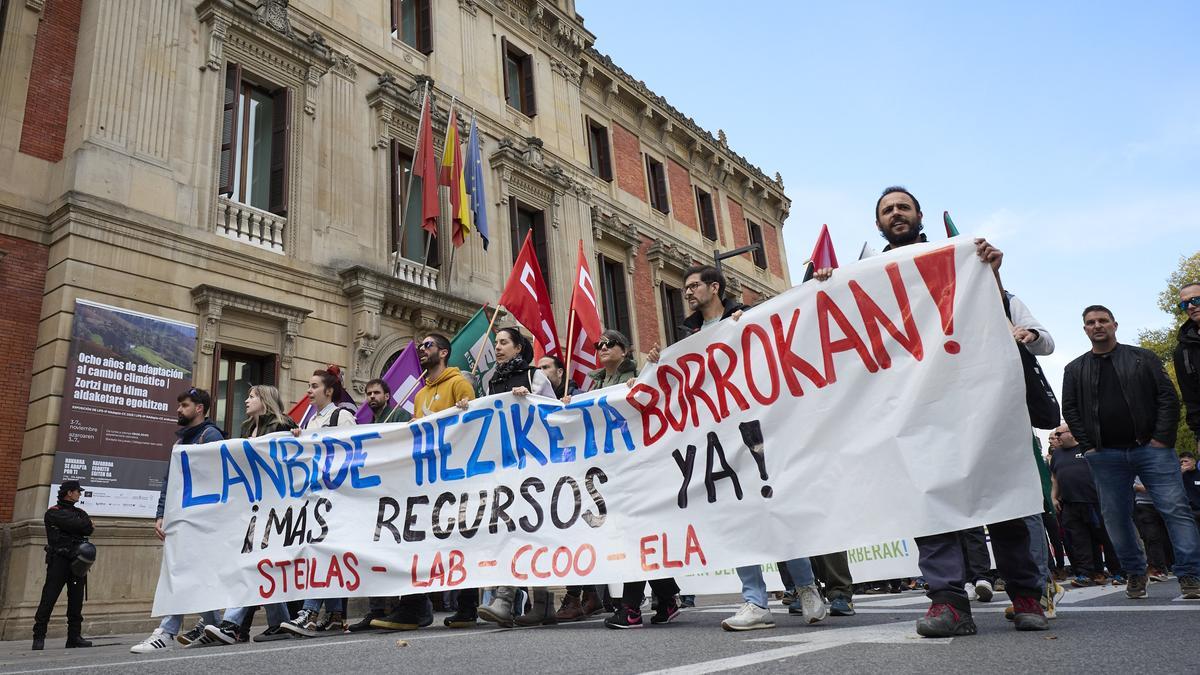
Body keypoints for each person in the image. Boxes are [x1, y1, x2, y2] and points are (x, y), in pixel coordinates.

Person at [817, 187, 1048, 636]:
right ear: (878, 224)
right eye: (888, 210)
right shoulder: (865, 275)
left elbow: (1004, 319)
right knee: (929, 504)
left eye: (903, 207)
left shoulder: (963, 258)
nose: (896, 214)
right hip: (915, 407)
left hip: (977, 395)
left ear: (919, 215)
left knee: (1002, 498)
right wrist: (827, 288)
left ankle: (1025, 595)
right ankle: (948, 602)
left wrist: (991, 274)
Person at [1062, 304, 1200, 600]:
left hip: (1150, 449)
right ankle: (1135, 573)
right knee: (1115, 517)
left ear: (1114, 324)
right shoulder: (1074, 369)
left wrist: (1162, 438)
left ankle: (1190, 574)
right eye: (1091, 322)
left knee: (1176, 509)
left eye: (1103, 320)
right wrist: (1089, 446)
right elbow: (1071, 410)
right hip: (1104, 454)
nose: (1097, 325)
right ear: (1085, 329)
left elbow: (1167, 397)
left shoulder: (1142, 358)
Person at [371, 335, 477, 631]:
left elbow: (472, 427)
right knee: (418, 540)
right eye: (422, 345)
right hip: (427, 479)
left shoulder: (459, 384)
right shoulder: (419, 396)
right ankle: (414, 607)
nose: (422, 349)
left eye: (429, 345)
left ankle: (468, 607)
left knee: (461, 540)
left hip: (456, 477)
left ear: (443, 352)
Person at [131, 388, 226, 653]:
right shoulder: (181, 442)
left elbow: (216, 479)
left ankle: (167, 631)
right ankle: (214, 625)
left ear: (199, 409)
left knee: (180, 570)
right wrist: (161, 514)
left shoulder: (210, 436)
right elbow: (169, 480)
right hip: (181, 516)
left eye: (184, 405)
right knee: (194, 571)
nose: (178, 409)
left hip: (200, 517)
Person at [477, 328, 561, 628]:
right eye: (495, 343)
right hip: (504, 467)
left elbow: (556, 414)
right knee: (507, 528)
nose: (497, 348)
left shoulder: (533, 377)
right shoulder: (491, 382)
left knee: (530, 529)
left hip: (534, 467)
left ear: (518, 348)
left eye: (503, 343)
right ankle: (520, 601)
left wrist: (530, 400)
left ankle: (522, 601)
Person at [203, 386, 300, 644]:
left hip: (275, 506)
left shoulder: (283, 425)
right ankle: (279, 623)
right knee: (261, 564)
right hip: (251, 506)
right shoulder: (247, 429)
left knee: (252, 562)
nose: (246, 400)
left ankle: (231, 624)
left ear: (265, 400)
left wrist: (298, 437)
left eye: (252, 396)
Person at [281, 368, 359, 636]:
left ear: (329, 391)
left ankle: (310, 612)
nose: (308, 391)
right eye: (308, 385)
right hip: (314, 498)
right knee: (327, 554)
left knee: (321, 553)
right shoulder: (310, 423)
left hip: (337, 498)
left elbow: (355, 453)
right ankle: (336, 615)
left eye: (314, 386)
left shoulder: (343, 416)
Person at [1050, 424, 1122, 587]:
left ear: (1071, 433)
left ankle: (1118, 571)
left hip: (1095, 501)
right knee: (1079, 540)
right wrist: (1054, 497)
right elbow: (1054, 478)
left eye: (1059, 434)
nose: (1056, 438)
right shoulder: (1057, 455)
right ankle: (1086, 573)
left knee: (1106, 537)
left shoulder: (1087, 448)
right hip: (1070, 504)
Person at [32, 480, 94, 650]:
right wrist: (80, 525)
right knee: (49, 598)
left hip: (78, 561)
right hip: (59, 560)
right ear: (69, 493)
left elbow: (88, 528)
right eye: (77, 492)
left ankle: (74, 637)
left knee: (76, 601)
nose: (79, 494)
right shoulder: (53, 512)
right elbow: (80, 524)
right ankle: (39, 636)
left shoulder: (80, 512)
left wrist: (81, 525)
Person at [1173, 282, 1200, 455]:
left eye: (1196, 299)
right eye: (1185, 304)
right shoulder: (1183, 350)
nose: (1190, 306)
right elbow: (1192, 398)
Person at [1132, 477, 1173, 583]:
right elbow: (1130, 483)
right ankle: (1157, 569)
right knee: (1151, 536)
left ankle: (1173, 565)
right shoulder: (1133, 464)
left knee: (1169, 536)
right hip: (1144, 503)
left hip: (1166, 503)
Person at [1182, 451, 1200, 529]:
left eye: (1186, 461)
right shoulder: (1180, 476)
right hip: (1190, 512)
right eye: (1181, 462)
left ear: (1193, 461)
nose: (1183, 463)